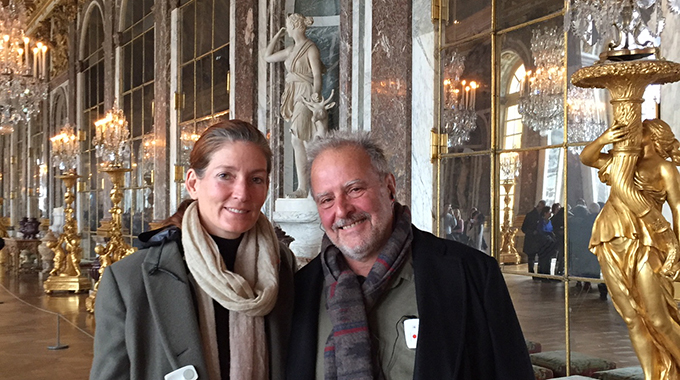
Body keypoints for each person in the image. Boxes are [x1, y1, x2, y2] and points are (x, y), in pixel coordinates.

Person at [286, 131, 534, 379]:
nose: (341, 210)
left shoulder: (471, 274)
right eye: (326, 199)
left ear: (390, 187)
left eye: (355, 189)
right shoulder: (300, 290)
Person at [91, 120, 296, 380]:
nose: (242, 193)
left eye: (256, 179)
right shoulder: (128, 280)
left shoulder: (281, 263)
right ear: (192, 183)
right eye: (225, 176)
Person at [581, 118, 680, 378]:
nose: (636, 131)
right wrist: (604, 138)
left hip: (647, 241)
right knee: (632, 318)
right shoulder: (620, 163)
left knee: (658, 318)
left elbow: (678, 208)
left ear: (655, 136)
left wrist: (678, 248)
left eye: (642, 129)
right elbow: (587, 158)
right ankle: (651, 375)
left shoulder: (665, 168)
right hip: (610, 237)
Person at [264, 13, 325, 198]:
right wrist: (277, 36)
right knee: (302, 141)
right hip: (293, 93)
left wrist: (315, 95)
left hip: (305, 94)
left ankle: (305, 187)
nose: (287, 30)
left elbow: (316, 75)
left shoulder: (310, 49)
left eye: (288, 27)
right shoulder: (290, 50)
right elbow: (267, 57)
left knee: (299, 139)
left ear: (295, 26)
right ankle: (308, 186)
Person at [521, 200, 546, 274]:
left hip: (540, 239)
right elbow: (524, 228)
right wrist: (532, 232)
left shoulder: (542, 215)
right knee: (531, 256)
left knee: (541, 256)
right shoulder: (530, 215)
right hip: (531, 240)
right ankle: (531, 271)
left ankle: (540, 272)